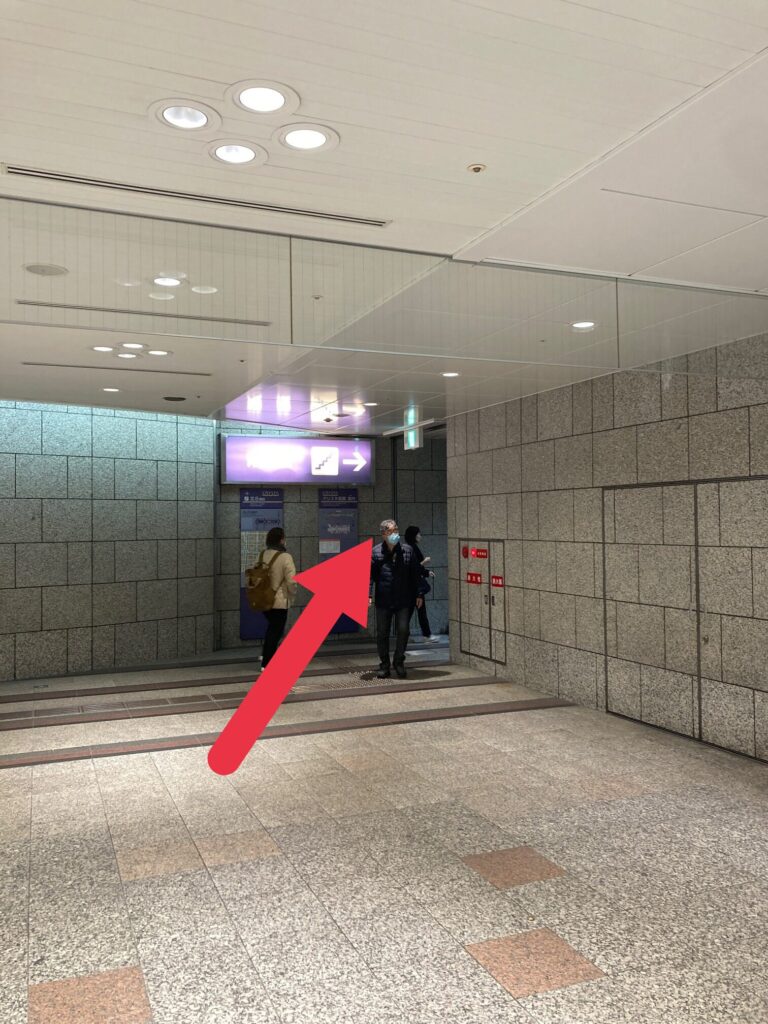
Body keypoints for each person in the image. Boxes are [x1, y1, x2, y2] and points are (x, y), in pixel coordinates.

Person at [370, 519, 423, 679]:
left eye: (396, 530)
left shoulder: (407, 550)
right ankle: (384, 665)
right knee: (382, 633)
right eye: (391, 531)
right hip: (384, 600)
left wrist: (419, 594)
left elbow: (415, 574)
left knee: (403, 630)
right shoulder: (376, 552)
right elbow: (369, 576)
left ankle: (399, 661)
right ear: (383, 534)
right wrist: (368, 595)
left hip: (403, 599)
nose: (395, 534)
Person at [258, 527, 297, 670]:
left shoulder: (262, 554)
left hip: (263, 599)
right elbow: (292, 581)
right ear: (281, 540)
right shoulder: (285, 557)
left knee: (272, 628)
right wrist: (291, 595)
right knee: (275, 631)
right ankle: (266, 663)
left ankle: (266, 655)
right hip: (279, 601)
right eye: (284, 538)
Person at [404, 526, 440, 643]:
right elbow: (413, 568)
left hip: (413, 586)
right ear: (413, 536)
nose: (420, 536)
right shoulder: (411, 549)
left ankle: (423, 634)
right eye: (418, 534)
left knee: (415, 612)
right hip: (414, 587)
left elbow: (416, 569)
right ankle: (426, 635)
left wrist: (426, 572)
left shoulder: (412, 548)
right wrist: (424, 562)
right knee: (417, 611)